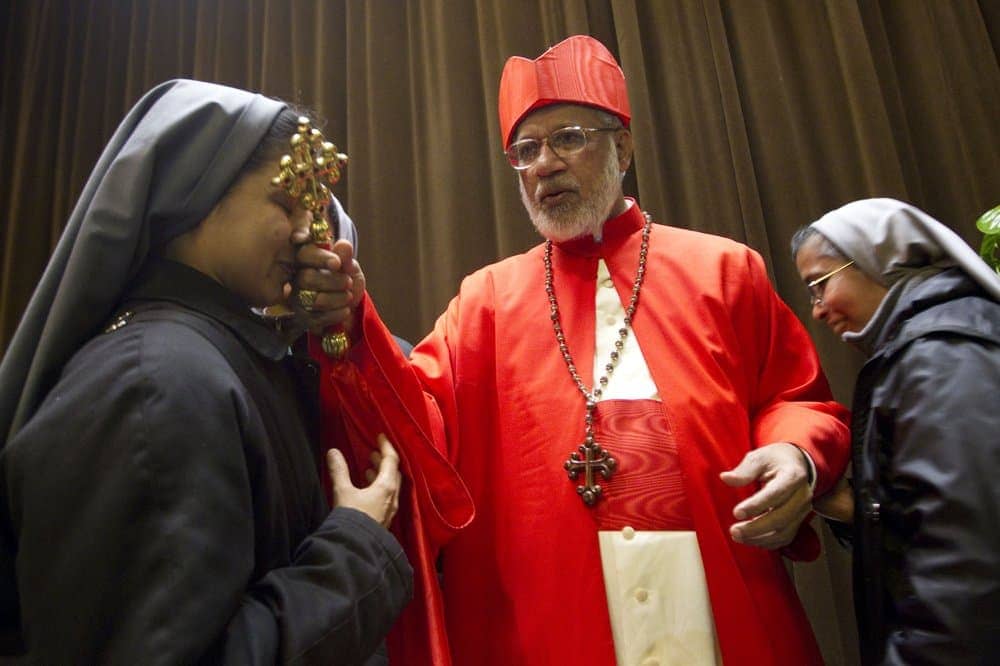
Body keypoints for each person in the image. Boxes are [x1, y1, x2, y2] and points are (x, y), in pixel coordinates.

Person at [297, 36, 850, 665]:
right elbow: (419, 430)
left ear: (624, 147)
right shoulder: (487, 300)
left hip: (718, 604)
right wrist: (352, 323)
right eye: (526, 150)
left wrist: (795, 453)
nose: (544, 165)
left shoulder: (722, 269)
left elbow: (797, 399)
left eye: (569, 139)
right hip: (553, 621)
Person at [0, 79, 414, 664]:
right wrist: (355, 546)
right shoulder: (152, 382)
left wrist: (320, 329)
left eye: (314, 210)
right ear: (195, 192)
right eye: (285, 201)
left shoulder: (219, 359)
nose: (308, 235)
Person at [791, 198, 1000, 665]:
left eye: (821, 285)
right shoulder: (926, 347)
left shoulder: (942, 358)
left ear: (880, 258)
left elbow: (965, 565)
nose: (819, 310)